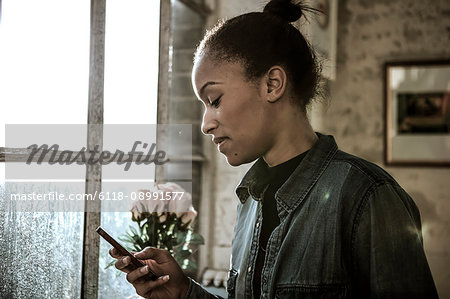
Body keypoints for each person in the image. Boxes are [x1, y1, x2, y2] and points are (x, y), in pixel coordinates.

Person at [110, 0, 438, 298]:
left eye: (215, 100)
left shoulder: (367, 196)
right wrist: (182, 292)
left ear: (272, 84)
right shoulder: (251, 200)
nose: (205, 124)